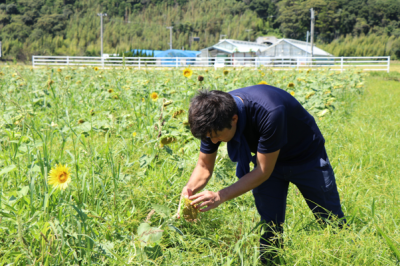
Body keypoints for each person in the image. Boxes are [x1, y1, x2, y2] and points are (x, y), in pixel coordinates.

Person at [177, 85, 346, 263]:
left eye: (216, 136)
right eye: (208, 137)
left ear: (234, 119)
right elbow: (204, 166)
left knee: (330, 218)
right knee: (269, 225)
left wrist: (220, 196)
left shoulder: (269, 112)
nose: (213, 141)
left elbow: (263, 171)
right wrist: (189, 189)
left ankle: (343, 255)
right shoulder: (214, 120)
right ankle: (271, 262)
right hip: (265, 159)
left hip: (305, 156)